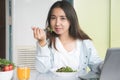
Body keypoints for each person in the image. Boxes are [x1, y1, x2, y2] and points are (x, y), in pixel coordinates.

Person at [32, 0, 103, 77]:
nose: (57, 23)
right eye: (53, 18)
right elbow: (42, 70)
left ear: (71, 20)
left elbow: (96, 65)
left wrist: (109, 64)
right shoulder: (47, 43)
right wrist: (42, 42)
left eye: (62, 18)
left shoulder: (85, 43)